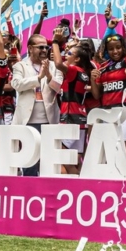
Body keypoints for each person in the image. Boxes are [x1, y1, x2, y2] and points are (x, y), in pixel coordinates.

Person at [90, 9, 126, 171]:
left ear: (123, 47)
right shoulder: (103, 67)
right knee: (109, 156)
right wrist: (93, 79)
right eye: (111, 49)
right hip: (107, 114)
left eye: (118, 48)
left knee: (125, 154)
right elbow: (97, 95)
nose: (115, 51)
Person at [11, 33, 64, 176]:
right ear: (30, 48)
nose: (44, 50)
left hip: (49, 121)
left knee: (48, 162)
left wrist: (48, 76)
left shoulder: (54, 66)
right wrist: (38, 78)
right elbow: (16, 84)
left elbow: (59, 87)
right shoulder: (20, 66)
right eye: (40, 47)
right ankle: (29, 192)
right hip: (27, 122)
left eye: (46, 47)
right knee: (29, 163)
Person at [52, 30, 92, 173]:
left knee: (64, 161)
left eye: (69, 54)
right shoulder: (81, 72)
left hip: (71, 120)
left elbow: (57, 63)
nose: (65, 55)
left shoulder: (74, 70)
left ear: (77, 59)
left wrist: (55, 42)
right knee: (70, 162)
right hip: (78, 120)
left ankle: (77, 188)